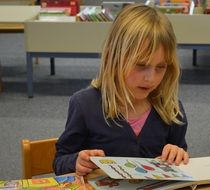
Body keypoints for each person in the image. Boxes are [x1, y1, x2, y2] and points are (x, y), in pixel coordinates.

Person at [53, 4, 189, 176]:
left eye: (160, 67)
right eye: (141, 65)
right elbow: (60, 161)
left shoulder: (172, 110)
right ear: (113, 58)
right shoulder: (84, 105)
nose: (151, 78)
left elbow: (181, 160)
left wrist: (178, 154)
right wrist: (76, 161)